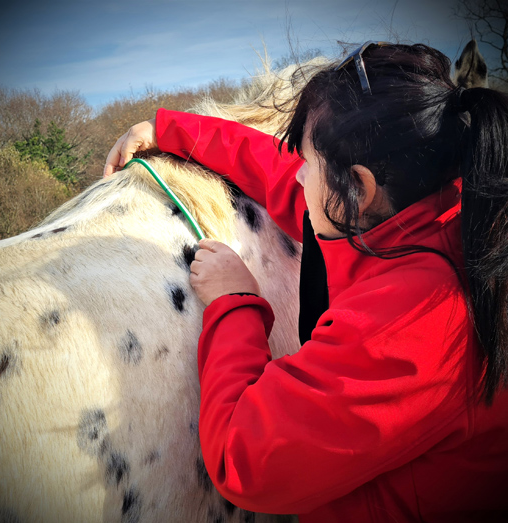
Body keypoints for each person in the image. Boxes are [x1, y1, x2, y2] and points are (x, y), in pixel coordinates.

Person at [103, 43, 508, 522]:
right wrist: (170, 131)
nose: (297, 175)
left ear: (359, 188)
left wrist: (235, 303)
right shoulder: (426, 214)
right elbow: (273, 170)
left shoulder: (419, 320)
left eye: (309, 164)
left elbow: (247, 463)